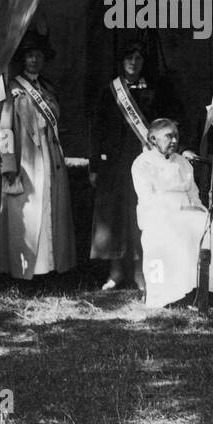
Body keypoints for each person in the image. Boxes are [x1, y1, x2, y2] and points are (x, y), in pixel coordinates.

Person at [89, 39, 182, 292]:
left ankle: (142, 272)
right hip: (115, 166)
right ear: (121, 62)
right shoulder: (110, 91)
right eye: (129, 58)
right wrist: (95, 165)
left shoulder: (156, 90)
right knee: (115, 216)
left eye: (138, 59)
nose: (133, 63)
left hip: (146, 163)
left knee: (143, 216)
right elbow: (97, 130)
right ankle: (116, 272)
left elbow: (167, 124)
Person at [0, 30, 75, 279]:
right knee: (31, 211)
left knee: (51, 208)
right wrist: (8, 163)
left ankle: (51, 266)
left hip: (50, 155)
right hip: (25, 157)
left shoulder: (48, 87)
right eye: (30, 56)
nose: (34, 60)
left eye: (38, 56)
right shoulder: (12, 89)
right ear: (23, 59)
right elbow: (5, 129)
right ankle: (28, 270)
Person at [131, 118, 213, 309]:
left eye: (176, 136)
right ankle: (169, 294)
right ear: (152, 139)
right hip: (158, 214)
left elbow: (194, 194)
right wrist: (173, 213)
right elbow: (147, 198)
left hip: (188, 210)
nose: (174, 140)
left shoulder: (183, 163)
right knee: (175, 233)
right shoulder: (142, 164)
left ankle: (205, 290)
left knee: (212, 229)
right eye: (169, 136)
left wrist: (201, 211)